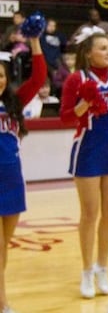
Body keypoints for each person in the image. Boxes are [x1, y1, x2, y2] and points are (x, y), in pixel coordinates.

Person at [59, 26, 108, 299]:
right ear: (88, 52)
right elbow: (66, 118)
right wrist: (85, 102)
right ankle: (86, 269)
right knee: (90, 214)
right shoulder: (75, 78)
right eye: (102, 48)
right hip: (88, 150)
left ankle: (103, 267)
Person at [0, 31, 45, 313]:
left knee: (4, 246)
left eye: (2, 75)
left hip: (13, 180)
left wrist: (35, 41)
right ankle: (3, 303)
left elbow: (39, 78)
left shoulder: (13, 103)